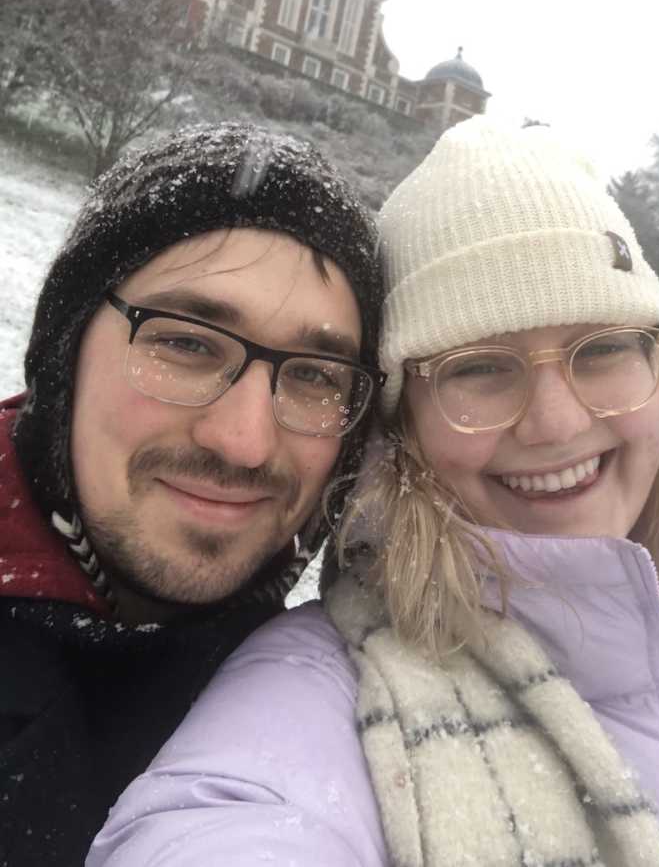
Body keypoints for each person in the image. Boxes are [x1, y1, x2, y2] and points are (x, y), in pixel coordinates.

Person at [90, 118, 659, 866]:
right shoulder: (328, 692)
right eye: (477, 368)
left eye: (604, 347)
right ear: (400, 427)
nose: (554, 423)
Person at [0, 121, 385, 867]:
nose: (242, 441)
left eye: (313, 375)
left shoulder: (339, 706)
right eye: (184, 342)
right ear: (64, 351)